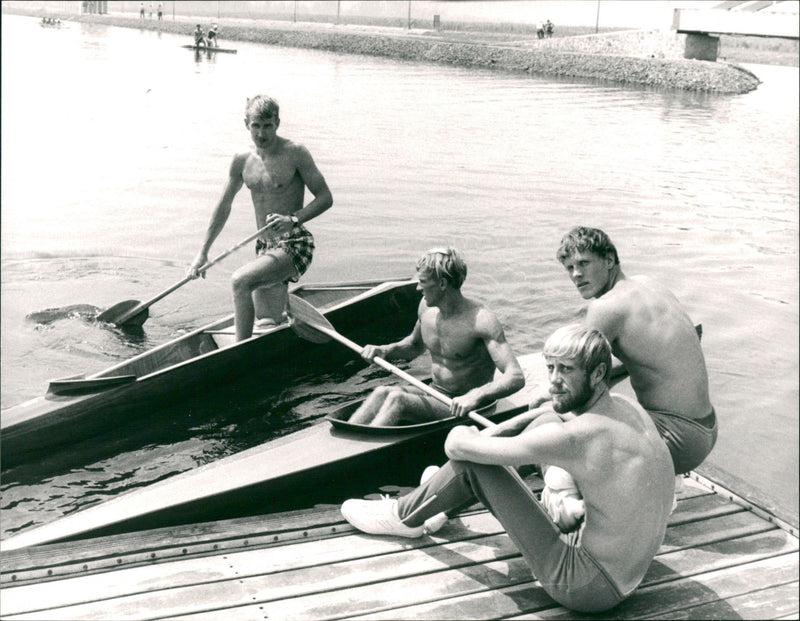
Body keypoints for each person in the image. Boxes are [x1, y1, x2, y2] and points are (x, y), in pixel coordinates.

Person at [341, 324, 675, 613]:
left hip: (585, 586)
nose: (554, 381)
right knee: (545, 416)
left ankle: (404, 517)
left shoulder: (577, 437)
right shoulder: (628, 409)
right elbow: (552, 419)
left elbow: (455, 446)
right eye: (550, 368)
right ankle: (441, 505)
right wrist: (494, 431)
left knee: (473, 466)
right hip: (629, 573)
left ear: (599, 374)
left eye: (567, 370)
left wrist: (472, 435)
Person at [536, 226, 717, 475]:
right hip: (706, 429)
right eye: (569, 268)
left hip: (674, 439)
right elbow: (664, 352)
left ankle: (564, 497)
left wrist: (547, 401)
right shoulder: (650, 284)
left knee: (547, 425)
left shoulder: (605, 307)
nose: (576, 275)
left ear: (609, 260)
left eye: (584, 263)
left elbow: (575, 389)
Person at [187, 95, 333, 341]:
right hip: (265, 247)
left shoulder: (295, 153)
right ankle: (283, 318)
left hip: (294, 243)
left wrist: (293, 219)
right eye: (256, 126)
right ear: (246, 124)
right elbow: (224, 205)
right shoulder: (242, 160)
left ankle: (239, 353)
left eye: (268, 126)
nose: (261, 133)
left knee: (240, 281)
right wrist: (203, 252)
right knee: (266, 322)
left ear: (277, 123)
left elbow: (325, 198)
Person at [347, 247, 525, 426]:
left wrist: (475, 395)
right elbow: (414, 345)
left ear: (442, 284)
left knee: (397, 399)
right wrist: (385, 350)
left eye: (422, 281)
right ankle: (349, 441)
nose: (417, 288)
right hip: (435, 392)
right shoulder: (426, 308)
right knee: (381, 392)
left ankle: (361, 448)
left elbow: (515, 376)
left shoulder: (482, 320)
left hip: (462, 406)